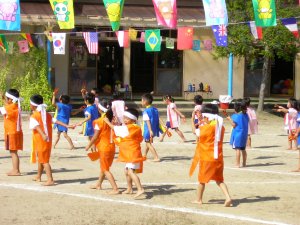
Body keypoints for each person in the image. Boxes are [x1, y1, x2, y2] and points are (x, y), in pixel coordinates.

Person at [189, 104, 232, 207]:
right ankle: (228, 197)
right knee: (219, 180)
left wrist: (192, 119)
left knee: (201, 180)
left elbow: (195, 131)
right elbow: (208, 124)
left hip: (207, 156)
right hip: (218, 157)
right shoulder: (220, 126)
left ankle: (198, 199)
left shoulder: (206, 127)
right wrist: (201, 119)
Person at [104, 108, 145, 199]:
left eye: (127, 118)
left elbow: (116, 129)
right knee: (126, 171)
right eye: (124, 118)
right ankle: (129, 188)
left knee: (130, 172)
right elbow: (120, 129)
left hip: (133, 153)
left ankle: (140, 189)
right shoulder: (131, 127)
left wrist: (107, 121)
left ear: (133, 119)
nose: (125, 120)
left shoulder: (133, 127)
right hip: (130, 153)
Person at [85, 108, 119, 194]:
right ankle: (98, 184)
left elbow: (95, 136)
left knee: (105, 169)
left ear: (100, 110)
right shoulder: (113, 120)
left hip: (104, 147)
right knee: (104, 167)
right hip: (112, 147)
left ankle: (115, 188)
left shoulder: (100, 121)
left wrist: (89, 145)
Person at [29, 94, 54, 186]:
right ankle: (38, 176)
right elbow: (55, 120)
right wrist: (67, 125)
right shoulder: (46, 114)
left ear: (33, 105)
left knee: (44, 161)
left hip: (41, 140)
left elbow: (37, 126)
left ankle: (50, 179)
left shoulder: (34, 116)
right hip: (47, 141)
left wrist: (43, 134)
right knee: (41, 158)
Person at [0, 89, 23, 176]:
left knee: (13, 153)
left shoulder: (9, 108)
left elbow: (4, 108)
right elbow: (7, 104)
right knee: (14, 152)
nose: (6, 100)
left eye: (7, 98)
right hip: (16, 131)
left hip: (11, 132)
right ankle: (15, 169)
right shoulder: (16, 106)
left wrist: (3, 100)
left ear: (10, 99)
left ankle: (16, 170)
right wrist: (3, 98)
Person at [224, 99, 249, 168]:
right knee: (243, 149)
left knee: (237, 149)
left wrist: (229, 119)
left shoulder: (236, 115)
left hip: (238, 134)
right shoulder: (246, 115)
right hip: (244, 134)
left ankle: (237, 163)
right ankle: (244, 163)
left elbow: (234, 125)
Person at [141, 93, 161, 162]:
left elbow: (147, 121)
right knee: (148, 143)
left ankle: (156, 157)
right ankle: (144, 155)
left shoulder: (146, 111)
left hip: (148, 130)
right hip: (154, 129)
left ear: (145, 102)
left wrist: (150, 130)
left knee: (148, 143)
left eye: (142, 100)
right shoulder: (155, 109)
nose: (141, 102)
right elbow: (158, 118)